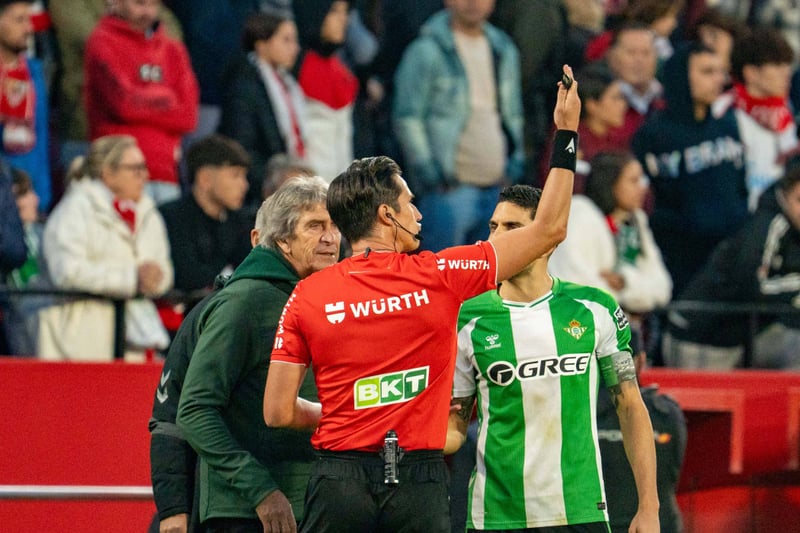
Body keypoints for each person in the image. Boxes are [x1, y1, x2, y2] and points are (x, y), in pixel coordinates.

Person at [263, 65, 580, 532]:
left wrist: (339, 411)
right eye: (409, 203)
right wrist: (567, 133)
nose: (418, 212)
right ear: (386, 215)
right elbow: (549, 227)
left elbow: (277, 412)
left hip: (337, 480)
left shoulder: (306, 294)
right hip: (416, 480)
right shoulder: (441, 275)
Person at [449, 183, 659, 532]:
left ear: (547, 239)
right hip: (497, 517)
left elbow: (630, 405)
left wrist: (649, 507)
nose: (496, 238)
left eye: (512, 227)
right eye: (493, 227)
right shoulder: (466, 318)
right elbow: (454, 424)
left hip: (580, 512)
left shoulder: (595, 308)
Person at [176, 176, 341, 532]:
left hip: (312, 503)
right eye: (315, 226)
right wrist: (262, 492)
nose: (331, 237)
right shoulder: (245, 302)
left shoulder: (322, 299)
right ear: (282, 239)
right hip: (247, 514)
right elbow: (194, 410)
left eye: (334, 226)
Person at [393, 0, 524, 251]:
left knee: (487, 274)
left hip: (497, 187)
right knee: (441, 271)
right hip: (448, 191)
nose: (473, 2)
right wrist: (429, 172)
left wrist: (513, 165)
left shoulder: (504, 48)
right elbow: (407, 117)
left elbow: (513, 113)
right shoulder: (426, 50)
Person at [37, 135, 173, 361]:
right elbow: (66, 272)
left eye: (144, 167)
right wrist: (131, 278)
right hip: (81, 341)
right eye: (136, 169)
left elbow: (164, 269)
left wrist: (156, 278)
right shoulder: (75, 210)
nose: (145, 176)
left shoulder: (148, 212)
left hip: (136, 340)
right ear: (108, 173)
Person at [632, 42, 747, 297]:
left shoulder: (728, 125)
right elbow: (650, 199)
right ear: (681, 77)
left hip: (729, 257)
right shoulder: (653, 135)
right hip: (680, 262)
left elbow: (740, 185)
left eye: (720, 72)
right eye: (707, 72)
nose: (718, 80)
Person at [664, 160, 800, 370]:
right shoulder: (767, 225)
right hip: (699, 340)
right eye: (799, 200)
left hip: (739, 337)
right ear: (784, 194)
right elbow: (751, 285)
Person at [84, 0, 199, 205]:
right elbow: (123, 105)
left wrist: (141, 96)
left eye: (153, 4)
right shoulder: (102, 42)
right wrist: (167, 97)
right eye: (139, 3)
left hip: (166, 174)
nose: (147, 10)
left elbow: (188, 116)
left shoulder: (173, 49)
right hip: (118, 172)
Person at [549, 151, 672, 328]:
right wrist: (631, 300)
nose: (642, 188)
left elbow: (662, 288)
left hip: (624, 333)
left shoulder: (636, 220)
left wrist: (624, 282)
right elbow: (576, 287)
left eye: (642, 180)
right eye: (634, 181)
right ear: (609, 183)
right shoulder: (580, 214)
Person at [597, 328, 687, 533]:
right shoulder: (668, 413)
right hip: (658, 524)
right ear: (640, 361)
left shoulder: (582, 414)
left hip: (601, 525)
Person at [219, 11, 307, 209]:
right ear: (261, 45)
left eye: (295, 40)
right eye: (286, 40)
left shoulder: (287, 84)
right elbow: (241, 146)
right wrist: (273, 181)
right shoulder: (244, 86)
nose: (295, 48)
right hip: (260, 192)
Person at [159, 134, 251, 293]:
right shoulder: (172, 217)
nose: (244, 185)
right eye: (235, 175)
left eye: (244, 176)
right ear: (205, 178)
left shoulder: (240, 221)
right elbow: (188, 278)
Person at [723, 26, 798, 210]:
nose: (786, 73)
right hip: (740, 215)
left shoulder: (785, 114)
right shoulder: (725, 111)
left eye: (787, 65)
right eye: (777, 65)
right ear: (751, 73)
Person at [293, 0, 358, 182]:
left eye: (345, 12)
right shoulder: (294, 68)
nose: (343, 19)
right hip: (306, 184)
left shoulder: (342, 71)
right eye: (335, 11)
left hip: (342, 184)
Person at [0, 0, 51, 213]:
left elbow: (41, 137)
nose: (29, 28)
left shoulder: (34, 73)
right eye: (19, 20)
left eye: (28, 20)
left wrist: (42, 196)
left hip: (35, 199)